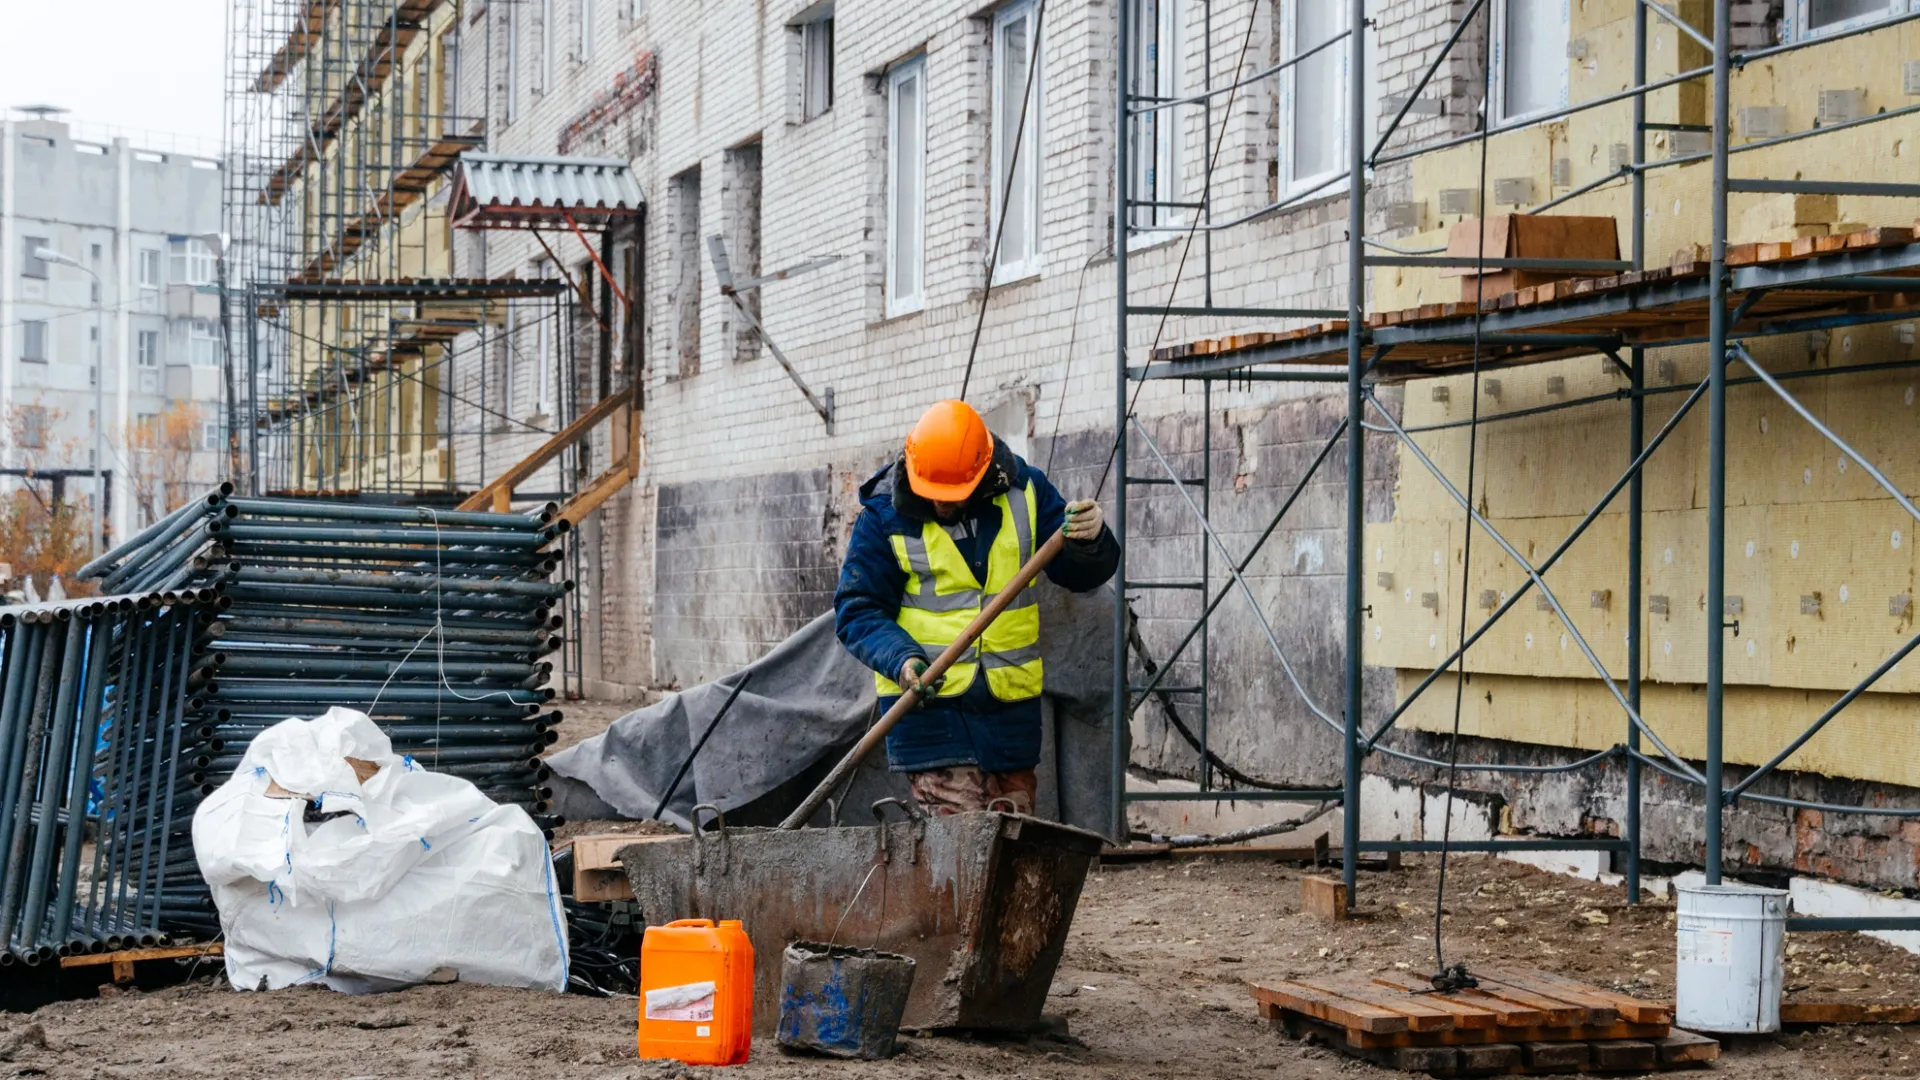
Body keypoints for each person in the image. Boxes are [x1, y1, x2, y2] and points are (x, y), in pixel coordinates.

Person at [834, 399, 1119, 816]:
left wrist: (1091, 541)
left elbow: (1081, 573)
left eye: (953, 495)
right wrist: (902, 660)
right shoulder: (884, 518)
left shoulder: (1027, 494)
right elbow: (857, 609)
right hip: (932, 712)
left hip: (1009, 714)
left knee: (1014, 837)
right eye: (933, 495)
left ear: (982, 474)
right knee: (963, 837)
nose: (942, 505)